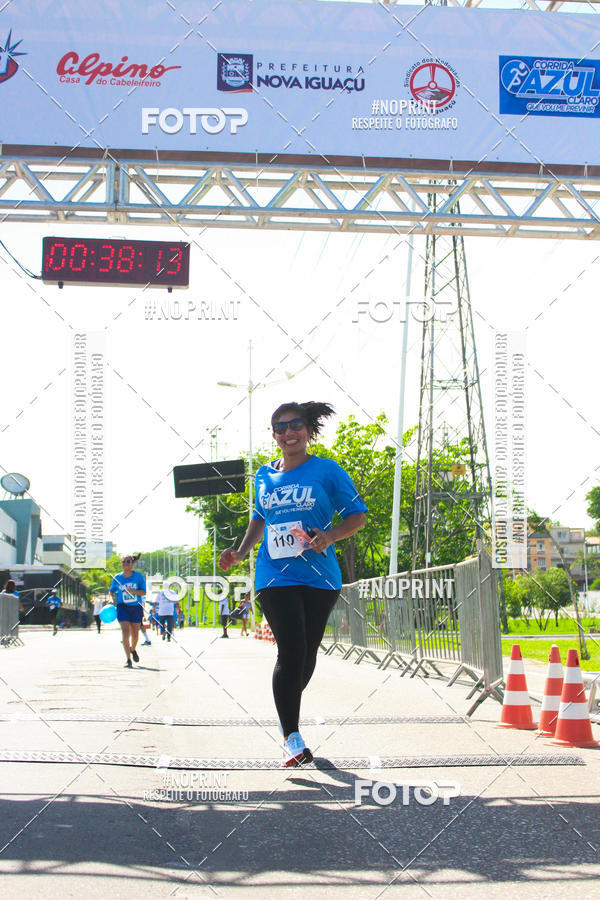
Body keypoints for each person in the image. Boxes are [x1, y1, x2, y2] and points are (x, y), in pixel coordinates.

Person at [220, 401, 367, 766]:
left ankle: (285, 703)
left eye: (295, 425)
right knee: (291, 649)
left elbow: (357, 516)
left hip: (320, 576)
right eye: (280, 427)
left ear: (307, 430)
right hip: (274, 574)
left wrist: (330, 536)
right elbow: (259, 518)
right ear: (274, 436)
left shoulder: (328, 471)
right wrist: (239, 554)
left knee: (307, 652)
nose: (289, 433)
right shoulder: (263, 476)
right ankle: (292, 737)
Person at [109, 554, 146, 668]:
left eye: (128, 562)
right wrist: (111, 600)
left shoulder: (138, 577)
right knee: (125, 631)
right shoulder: (117, 577)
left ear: (132, 563)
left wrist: (133, 591)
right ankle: (128, 659)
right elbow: (112, 591)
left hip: (136, 607)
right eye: (123, 562)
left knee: (135, 633)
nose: (125, 564)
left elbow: (143, 592)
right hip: (122, 607)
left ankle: (133, 649)